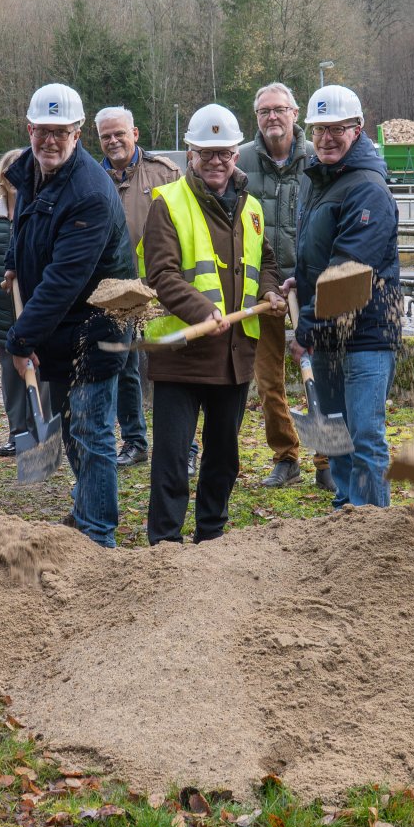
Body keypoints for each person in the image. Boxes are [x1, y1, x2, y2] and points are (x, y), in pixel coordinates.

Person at [4, 83, 134, 547]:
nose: (50, 141)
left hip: (98, 324)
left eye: (61, 132)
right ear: (30, 130)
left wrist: (20, 341)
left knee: (91, 430)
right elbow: (27, 223)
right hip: (61, 323)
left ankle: (99, 536)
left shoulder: (89, 194)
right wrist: (13, 261)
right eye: (43, 131)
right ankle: (85, 514)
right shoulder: (31, 170)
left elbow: (64, 280)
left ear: (78, 134)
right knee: (75, 428)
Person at [142, 104, 276, 544]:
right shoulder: (168, 203)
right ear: (190, 154)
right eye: (206, 153)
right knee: (172, 458)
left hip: (234, 356)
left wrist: (272, 292)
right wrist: (203, 311)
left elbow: (267, 261)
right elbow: (161, 274)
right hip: (181, 357)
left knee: (223, 458)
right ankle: (164, 543)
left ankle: (212, 536)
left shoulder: (251, 207)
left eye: (225, 153)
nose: (217, 161)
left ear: (236, 154)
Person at [287, 84, 401, 509]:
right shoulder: (319, 177)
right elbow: (321, 253)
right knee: (332, 431)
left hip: (366, 333)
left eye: (337, 128)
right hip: (328, 331)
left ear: (358, 129)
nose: (326, 138)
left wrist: (307, 327)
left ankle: (371, 530)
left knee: (364, 435)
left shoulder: (367, 187)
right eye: (319, 130)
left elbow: (349, 269)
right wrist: (299, 281)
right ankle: (344, 516)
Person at [238, 81, 328, 491]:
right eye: (264, 111)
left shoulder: (318, 160)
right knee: (269, 376)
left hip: (312, 282)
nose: (272, 117)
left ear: (294, 114)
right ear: (256, 118)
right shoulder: (241, 164)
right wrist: (264, 283)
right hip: (264, 285)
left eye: (279, 109)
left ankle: (327, 459)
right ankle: (286, 456)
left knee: (321, 371)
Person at [95, 105, 180, 469]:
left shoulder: (165, 173)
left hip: (162, 286)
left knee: (172, 368)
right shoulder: (91, 178)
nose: (114, 141)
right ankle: (134, 440)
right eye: (105, 136)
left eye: (119, 133)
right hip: (117, 290)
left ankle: (182, 446)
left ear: (135, 133)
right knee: (126, 367)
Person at [0, 149, 35, 457]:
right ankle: (18, 431)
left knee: (37, 368)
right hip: (4, 304)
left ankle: (39, 426)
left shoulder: (40, 208)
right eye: (9, 170)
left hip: (35, 303)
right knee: (9, 371)